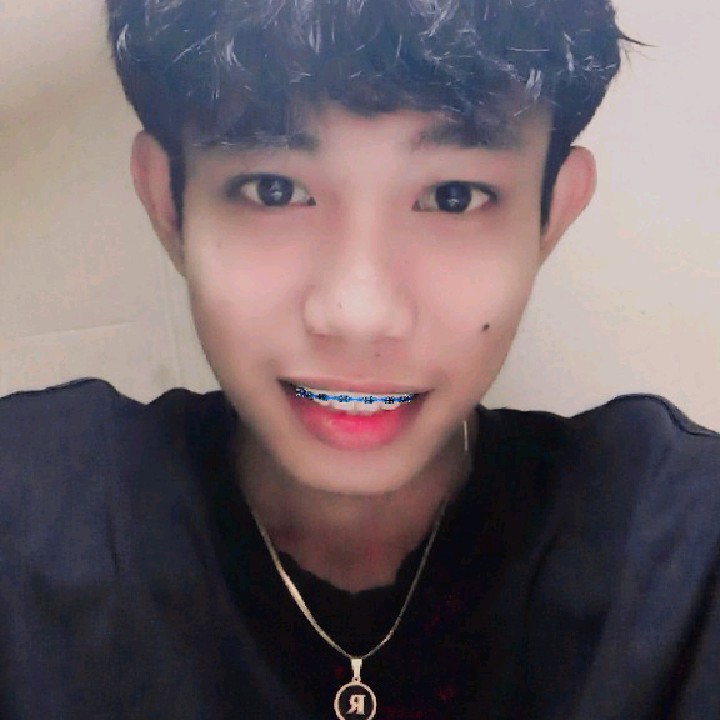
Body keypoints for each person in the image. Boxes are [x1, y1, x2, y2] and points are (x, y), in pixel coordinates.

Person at [0, 1, 718, 718]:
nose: (358, 315)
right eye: (274, 190)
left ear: (551, 214)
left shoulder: (678, 568)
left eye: (453, 196)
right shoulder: (31, 533)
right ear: (168, 204)